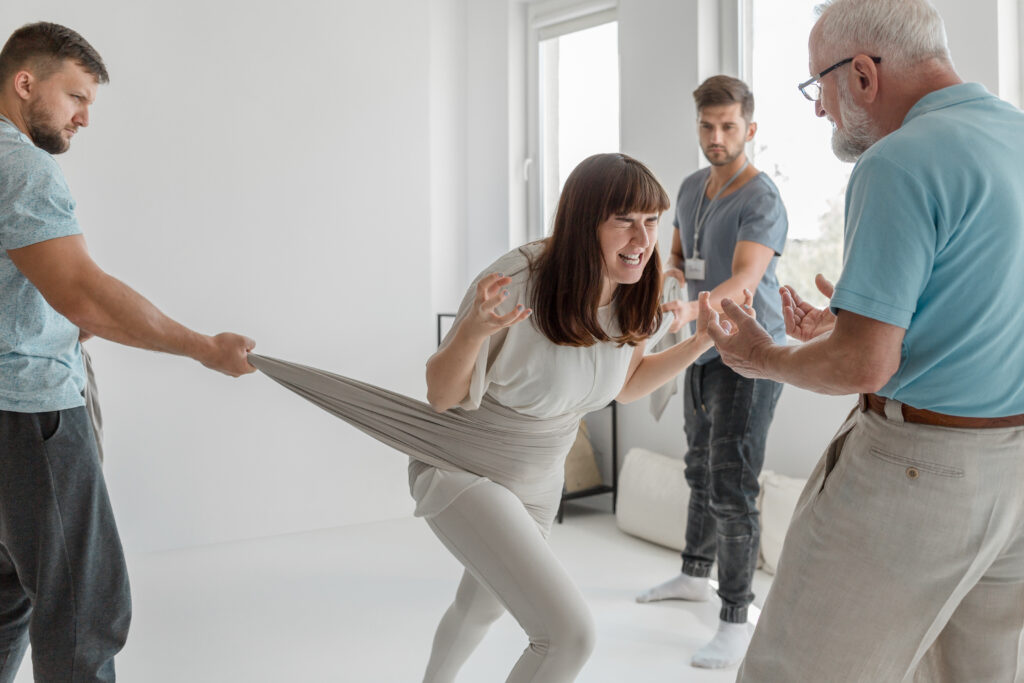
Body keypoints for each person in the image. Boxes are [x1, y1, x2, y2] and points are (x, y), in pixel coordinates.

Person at [248, 152, 750, 682]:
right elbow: (441, 395)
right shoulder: (517, 281)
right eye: (623, 220)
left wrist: (698, 342)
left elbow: (625, 385)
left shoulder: (636, 289)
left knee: (482, 606)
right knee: (568, 634)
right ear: (585, 222)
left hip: (539, 477)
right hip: (464, 465)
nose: (642, 239)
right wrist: (471, 331)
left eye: (651, 221)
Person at [695, 1, 1024, 680]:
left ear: (865, 74)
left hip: (919, 471)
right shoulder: (1015, 137)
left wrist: (762, 354)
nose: (820, 108)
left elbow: (865, 362)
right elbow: (985, 307)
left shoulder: (897, 161)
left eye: (820, 84)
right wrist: (850, 323)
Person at [0, 22, 255, 682]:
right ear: (25, 83)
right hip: (30, 415)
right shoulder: (25, 167)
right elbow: (85, 294)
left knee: (6, 594)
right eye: (76, 96)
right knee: (84, 610)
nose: (85, 118)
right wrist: (204, 347)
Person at [635, 75, 787, 670]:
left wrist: (691, 306)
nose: (716, 137)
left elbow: (746, 281)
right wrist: (672, 280)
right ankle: (693, 576)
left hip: (749, 355)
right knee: (698, 469)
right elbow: (676, 257)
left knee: (733, 483)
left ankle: (734, 617)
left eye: (728, 126)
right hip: (698, 350)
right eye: (707, 125)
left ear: (750, 128)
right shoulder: (691, 186)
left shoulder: (762, 198)